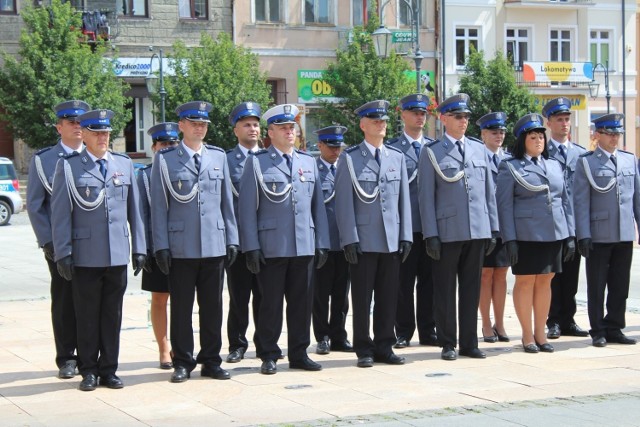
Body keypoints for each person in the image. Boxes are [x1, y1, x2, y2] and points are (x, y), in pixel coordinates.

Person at [51, 109, 147, 391]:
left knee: (112, 315)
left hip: (116, 253)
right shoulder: (69, 166)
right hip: (85, 255)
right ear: (86, 134)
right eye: (97, 132)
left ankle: (109, 369)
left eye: (107, 133)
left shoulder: (124, 164)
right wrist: (63, 252)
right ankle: (89, 370)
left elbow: (135, 211)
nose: (104, 137)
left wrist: (139, 248)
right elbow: (60, 214)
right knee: (87, 315)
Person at [150, 101, 239, 383]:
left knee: (213, 306)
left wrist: (232, 239)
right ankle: (183, 361)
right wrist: (161, 246)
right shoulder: (165, 160)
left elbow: (227, 203)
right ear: (182, 127)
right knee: (182, 308)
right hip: (181, 246)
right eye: (194, 123)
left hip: (214, 242)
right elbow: (159, 208)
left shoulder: (218, 157)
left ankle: (211, 360)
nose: (200, 128)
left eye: (204, 124)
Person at [238, 103, 330, 375]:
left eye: (293, 127)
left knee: (302, 304)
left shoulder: (307, 162)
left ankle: (299, 352)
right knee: (271, 304)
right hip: (272, 245)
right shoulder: (257, 163)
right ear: (271, 132)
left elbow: (318, 207)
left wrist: (321, 241)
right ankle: (268, 353)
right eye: (284, 128)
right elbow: (247, 210)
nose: (290, 132)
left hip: (303, 243)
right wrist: (251, 247)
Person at [417, 93, 498, 361]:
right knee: (445, 289)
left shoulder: (478, 149)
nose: (464, 121)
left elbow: (488, 193)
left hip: (476, 229)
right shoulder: (432, 152)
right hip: (447, 231)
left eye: (466, 117)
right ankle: (448, 342)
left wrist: (493, 228)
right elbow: (426, 197)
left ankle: (469, 342)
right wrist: (431, 234)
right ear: (443, 119)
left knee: (471, 289)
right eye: (458, 116)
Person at [335, 100, 412, 368]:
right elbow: (344, 203)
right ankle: (364, 348)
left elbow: (403, 201)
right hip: (364, 241)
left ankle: (384, 345)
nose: (381, 125)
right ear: (363, 125)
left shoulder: (396, 157)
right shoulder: (350, 158)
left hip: (391, 239)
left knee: (389, 296)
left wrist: (406, 236)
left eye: (384, 121)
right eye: (375, 121)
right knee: (362, 297)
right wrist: (350, 238)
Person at [496, 113, 576, 354]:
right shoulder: (511, 166)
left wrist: (570, 234)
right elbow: (504, 205)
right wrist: (509, 238)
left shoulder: (554, 165)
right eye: (533, 136)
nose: (539, 140)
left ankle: (541, 333)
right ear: (523, 140)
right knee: (526, 281)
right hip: (526, 234)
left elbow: (565, 201)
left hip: (553, 233)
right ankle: (527, 335)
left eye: (541, 135)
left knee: (546, 280)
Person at [27, 100, 89, 379]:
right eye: (71, 122)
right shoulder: (45, 160)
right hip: (61, 244)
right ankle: (66, 357)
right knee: (64, 300)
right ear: (59, 127)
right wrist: (48, 241)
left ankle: (91, 354)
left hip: (93, 242)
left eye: (80, 122)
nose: (77, 127)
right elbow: (36, 205)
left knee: (91, 300)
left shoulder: (96, 155)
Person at [573, 113, 639, 347]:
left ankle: (615, 327)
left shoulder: (629, 160)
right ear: (597, 135)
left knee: (620, 285)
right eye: (610, 134)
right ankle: (598, 329)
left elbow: (636, 200)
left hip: (623, 233)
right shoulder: (587, 162)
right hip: (598, 234)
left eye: (617, 134)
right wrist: (583, 234)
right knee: (597, 285)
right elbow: (580, 202)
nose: (614, 138)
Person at [387, 94, 438, 349]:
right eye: (415, 112)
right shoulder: (393, 149)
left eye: (424, 113)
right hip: (405, 227)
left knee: (430, 282)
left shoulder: (434, 148)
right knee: (403, 283)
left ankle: (429, 330)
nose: (420, 117)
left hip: (430, 227)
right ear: (403, 115)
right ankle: (404, 331)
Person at [542, 97, 589, 340]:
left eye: (567, 119)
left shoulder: (581, 154)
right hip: (551, 225)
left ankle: (568, 319)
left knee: (571, 275)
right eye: (559, 119)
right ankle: (553, 321)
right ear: (548, 122)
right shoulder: (542, 153)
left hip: (575, 226)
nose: (564, 124)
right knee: (553, 276)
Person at [137, 122, 180, 369]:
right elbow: (141, 216)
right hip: (156, 248)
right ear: (154, 147)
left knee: (184, 300)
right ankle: (163, 348)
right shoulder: (144, 176)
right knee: (160, 299)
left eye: (173, 143)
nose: (168, 147)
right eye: (163, 143)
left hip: (184, 246)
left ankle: (180, 345)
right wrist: (143, 249)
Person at [225, 102, 263, 363]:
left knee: (265, 296)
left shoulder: (270, 158)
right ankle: (237, 344)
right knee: (239, 296)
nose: (253, 129)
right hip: (238, 240)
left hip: (267, 239)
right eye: (247, 124)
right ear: (236, 129)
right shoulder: (226, 161)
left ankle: (265, 343)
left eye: (256, 124)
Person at [312, 125, 353, 355]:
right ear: (320, 146)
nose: (336, 150)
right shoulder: (312, 170)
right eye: (331, 146)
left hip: (343, 241)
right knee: (320, 294)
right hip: (323, 242)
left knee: (341, 294)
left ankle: (339, 335)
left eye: (339, 146)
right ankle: (322, 336)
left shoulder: (346, 169)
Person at [476, 112, 511, 343]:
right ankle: (486, 324)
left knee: (501, 275)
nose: (498, 136)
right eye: (493, 132)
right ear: (483, 134)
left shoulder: (509, 160)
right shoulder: (476, 157)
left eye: (501, 132)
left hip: (505, 226)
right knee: (485, 275)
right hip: (485, 225)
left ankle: (500, 323)